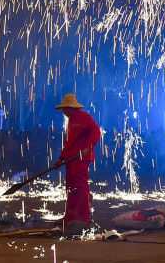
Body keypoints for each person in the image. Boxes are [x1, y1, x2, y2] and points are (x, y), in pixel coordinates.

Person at [52, 94, 101, 234]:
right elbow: (69, 143)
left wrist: (88, 146)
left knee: (80, 187)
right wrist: (60, 159)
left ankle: (84, 218)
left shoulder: (83, 117)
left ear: (71, 107)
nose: (63, 112)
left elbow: (96, 131)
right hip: (71, 159)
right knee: (71, 188)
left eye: (65, 109)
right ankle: (70, 217)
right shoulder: (72, 120)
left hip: (80, 159)